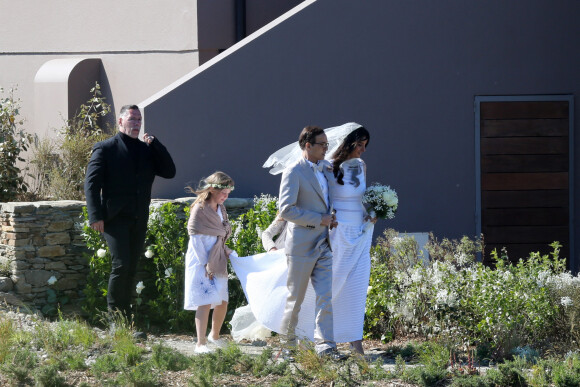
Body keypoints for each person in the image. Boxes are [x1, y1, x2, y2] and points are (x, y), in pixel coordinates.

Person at [84, 104, 176, 321]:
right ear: (121, 121)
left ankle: (127, 317)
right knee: (121, 264)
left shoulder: (146, 150)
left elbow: (170, 172)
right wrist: (95, 216)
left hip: (139, 217)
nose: (136, 123)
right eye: (132, 119)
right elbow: (91, 185)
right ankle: (116, 319)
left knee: (132, 266)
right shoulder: (105, 148)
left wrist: (156, 144)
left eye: (139, 120)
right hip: (114, 218)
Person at [278, 125, 344, 360]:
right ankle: (287, 348)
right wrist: (320, 220)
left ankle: (326, 346)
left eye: (327, 144)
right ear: (308, 145)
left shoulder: (326, 168)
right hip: (301, 245)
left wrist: (331, 219)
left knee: (325, 297)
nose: (327, 148)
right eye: (322, 144)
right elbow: (286, 210)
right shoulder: (293, 171)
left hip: (324, 243)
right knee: (294, 299)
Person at [327, 126, 374, 355]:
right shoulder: (329, 167)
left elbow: (362, 198)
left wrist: (373, 212)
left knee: (357, 287)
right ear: (348, 143)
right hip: (338, 233)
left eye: (366, 145)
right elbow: (324, 198)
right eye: (359, 145)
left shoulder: (362, 166)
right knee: (334, 285)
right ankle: (327, 339)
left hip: (362, 232)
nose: (363, 150)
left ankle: (356, 343)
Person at [184, 172, 237, 354]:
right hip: (202, 260)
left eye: (228, 193)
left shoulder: (221, 209)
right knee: (204, 301)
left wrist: (226, 250)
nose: (226, 196)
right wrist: (205, 263)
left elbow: (219, 235)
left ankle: (215, 336)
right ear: (213, 189)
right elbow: (196, 238)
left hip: (217, 257)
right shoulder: (200, 208)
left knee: (222, 300)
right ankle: (201, 343)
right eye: (224, 192)